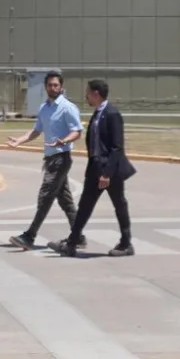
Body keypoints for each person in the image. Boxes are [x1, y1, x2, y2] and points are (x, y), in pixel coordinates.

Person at [3, 72, 83, 250]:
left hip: (61, 158)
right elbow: (36, 130)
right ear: (46, 87)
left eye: (56, 85)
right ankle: (78, 236)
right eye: (50, 85)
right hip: (50, 158)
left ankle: (30, 236)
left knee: (45, 196)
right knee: (65, 200)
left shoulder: (68, 107)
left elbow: (77, 130)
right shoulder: (44, 108)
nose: (53, 88)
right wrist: (19, 140)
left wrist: (66, 140)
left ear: (61, 87)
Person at [56, 80, 136, 257]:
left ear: (96, 94)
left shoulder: (112, 114)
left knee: (119, 205)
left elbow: (117, 147)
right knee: (85, 205)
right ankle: (73, 241)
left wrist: (107, 173)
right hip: (95, 168)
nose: (86, 96)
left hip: (110, 170)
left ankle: (126, 243)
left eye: (88, 93)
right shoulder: (98, 114)